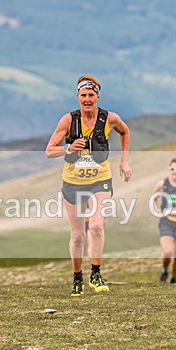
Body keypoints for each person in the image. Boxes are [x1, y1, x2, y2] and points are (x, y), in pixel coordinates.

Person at [45, 75, 131, 296]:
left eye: (91, 95)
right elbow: (49, 151)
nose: (87, 99)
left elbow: (125, 131)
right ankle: (77, 278)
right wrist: (68, 148)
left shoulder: (109, 118)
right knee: (77, 236)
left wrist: (124, 161)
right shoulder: (68, 120)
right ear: (77, 96)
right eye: (83, 95)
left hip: (100, 180)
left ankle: (95, 273)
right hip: (72, 183)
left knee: (96, 225)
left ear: (97, 96)